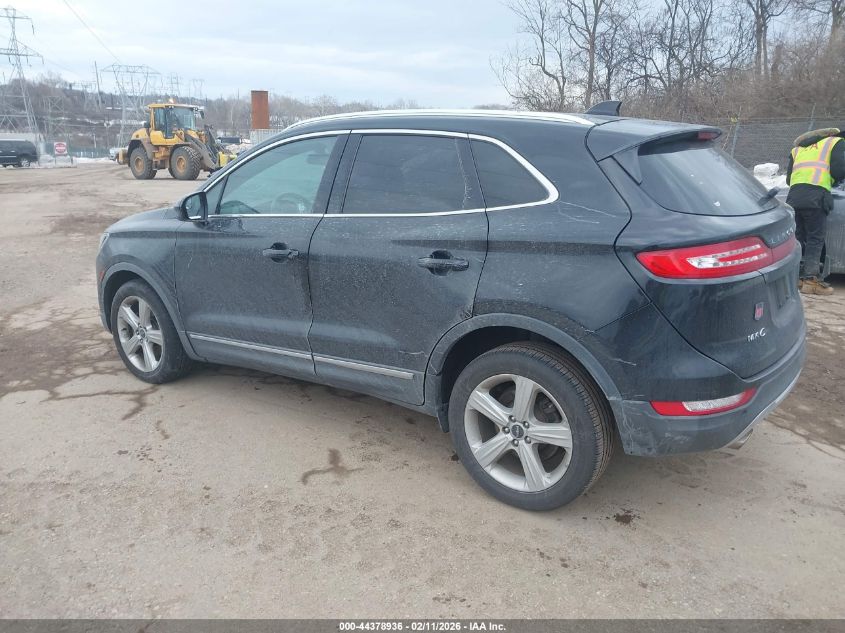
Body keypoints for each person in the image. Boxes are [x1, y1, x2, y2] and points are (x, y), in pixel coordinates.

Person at [786, 127, 845, 296]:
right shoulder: (835, 143)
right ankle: (811, 281)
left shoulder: (797, 149)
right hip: (816, 196)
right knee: (815, 239)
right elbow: (839, 171)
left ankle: (795, 277)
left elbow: (789, 178)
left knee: (798, 238)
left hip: (794, 197)